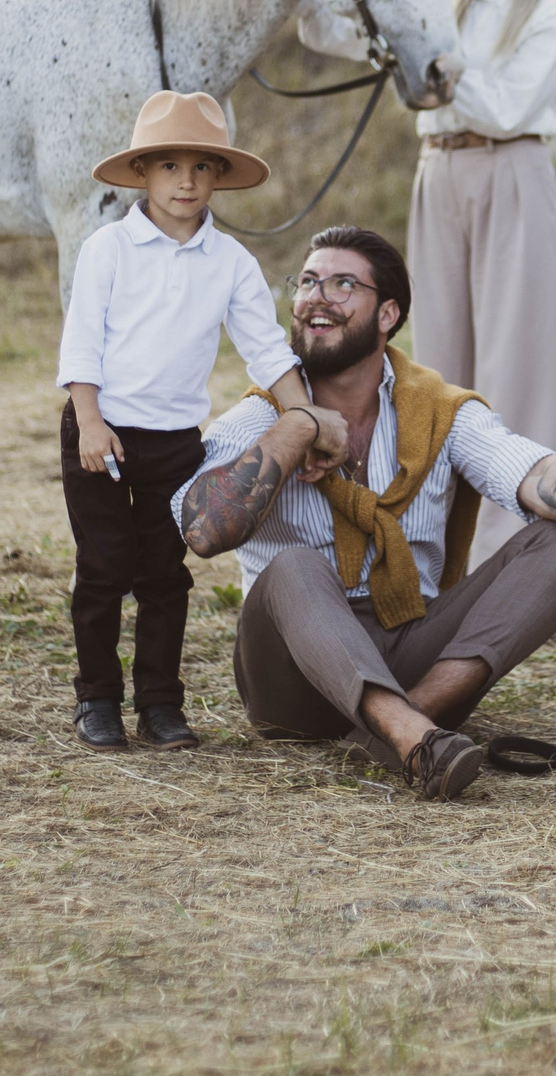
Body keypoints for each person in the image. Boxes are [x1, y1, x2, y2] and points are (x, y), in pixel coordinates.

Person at [172, 225, 556, 802]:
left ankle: (407, 720)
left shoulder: (437, 409)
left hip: (408, 646)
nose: (317, 297)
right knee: (293, 566)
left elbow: (530, 471)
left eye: (343, 284)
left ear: (388, 313)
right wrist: (300, 426)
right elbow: (202, 530)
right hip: (293, 681)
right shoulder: (262, 416)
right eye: (308, 282)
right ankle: (407, 732)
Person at [56, 92, 343, 754]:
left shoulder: (231, 263)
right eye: (167, 166)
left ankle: (160, 703)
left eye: (200, 167)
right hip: (99, 429)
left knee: (164, 572)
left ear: (217, 176)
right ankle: (97, 698)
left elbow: (267, 350)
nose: (184, 182)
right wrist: (90, 419)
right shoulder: (108, 249)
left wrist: (304, 417)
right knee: (103, 565)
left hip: (175, 443)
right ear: (142, 175)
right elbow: (81, 343)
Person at [407, 0, 556, 566]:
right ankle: (434, 545)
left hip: (512, 170)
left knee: (520, 362)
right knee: (437, 360)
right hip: (438, 173)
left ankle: (517, 550)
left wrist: (438, 60)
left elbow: (510, 106)